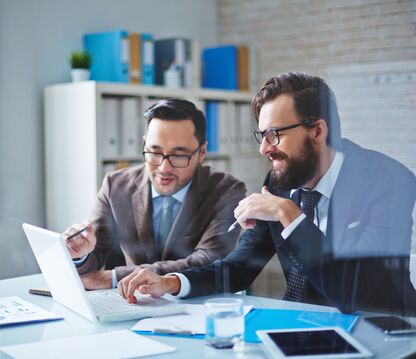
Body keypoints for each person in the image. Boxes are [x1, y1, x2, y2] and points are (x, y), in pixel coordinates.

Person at [118, 72, 416, 315]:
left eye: (275, 134)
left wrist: (290, 216)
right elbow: (239, 268)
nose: (264, 148)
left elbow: (354, 293)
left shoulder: (389, 182)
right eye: (262, 135)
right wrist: (170, 283)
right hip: (301, 329)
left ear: (317, 131)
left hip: (386, 333)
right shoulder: (280, 183)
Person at [64, 98, 246, 290]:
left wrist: (117, 277)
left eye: (178, 155)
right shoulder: (115, 185)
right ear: (144, 145)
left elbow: (209, 260)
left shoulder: (227, 191)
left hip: (197, 305)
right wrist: (80, 252)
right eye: (154, 152)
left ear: (201, 153)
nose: (163, 167)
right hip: (132, 304)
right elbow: (95, 255)